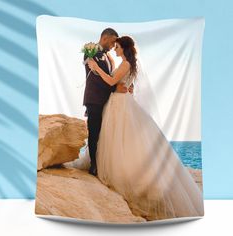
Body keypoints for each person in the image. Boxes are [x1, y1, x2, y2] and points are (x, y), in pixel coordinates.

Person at [87, 36, 204, 220]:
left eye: (117, 47)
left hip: (120, 104)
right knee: (122, 140)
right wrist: (124, 85)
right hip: (122, 101)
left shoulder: (125, 64)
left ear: (124, 48)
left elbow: (111, 82)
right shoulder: (130, 64)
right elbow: (127, 84)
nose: (115, 50)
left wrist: (95, 68)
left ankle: (126, 178)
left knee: (121, 140)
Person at [83, 28, 134, 176]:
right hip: (95, 98)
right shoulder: (90, 52)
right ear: (105, 38)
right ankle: (93, 165)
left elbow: (115, 76)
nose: (113, 46)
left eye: (115, 45)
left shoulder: (109, 57)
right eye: (112, 43)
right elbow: (95, 77)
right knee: (94, 132)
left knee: (104, 133)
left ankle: (103, 164)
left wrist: (125, 86)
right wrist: (114, 87)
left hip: (107, 101)